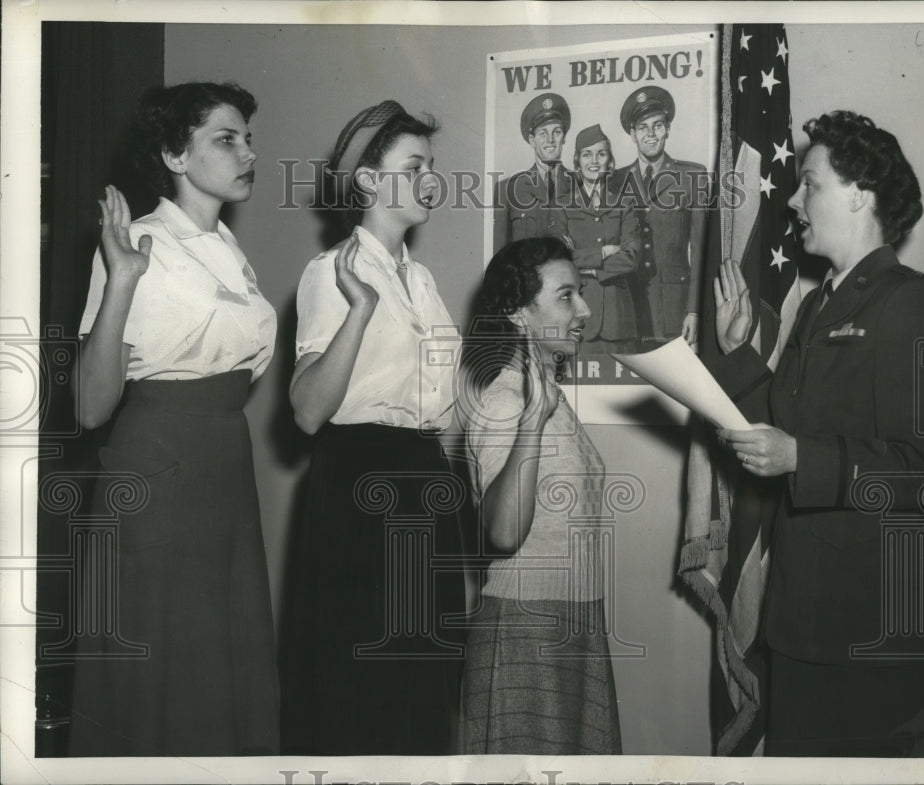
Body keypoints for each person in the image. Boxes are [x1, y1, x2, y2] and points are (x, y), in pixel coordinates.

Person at [711, 111, 924, 756]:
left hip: (867, 629)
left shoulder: (912, 301)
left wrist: (801, 457)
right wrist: (738, 354)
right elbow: (788, 429)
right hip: (799, 621)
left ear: (859, 192)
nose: (793, 200)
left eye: (809, 183)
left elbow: (923, 472)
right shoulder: (820, 305)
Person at [70, 82, 279, 756]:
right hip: (159, 466)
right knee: (165, 671)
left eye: (247, 136)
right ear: (174, 155)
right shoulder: (137, 243)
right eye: (227, 138)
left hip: (223, 461)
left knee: (223, 663)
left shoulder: (226, 250)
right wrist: (122, 279)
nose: (248, 151)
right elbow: (91, 405)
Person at [280, 100, 465, 755]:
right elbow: (305, 410)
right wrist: (360, 311)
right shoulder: (330, 272)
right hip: (360, 491)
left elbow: (441, 409)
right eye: (413, 166)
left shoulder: (424, 281)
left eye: (431, 167)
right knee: (360, 691)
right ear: (367, 181)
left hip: (424, 483)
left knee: (419, 689)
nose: (430, 180)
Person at [458, 237, 622, 755]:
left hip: (577, 621)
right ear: (517, 313)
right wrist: (531, 421)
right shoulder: (506, 401)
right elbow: (503, 533)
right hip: (525, 630)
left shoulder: (547, 397)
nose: (585, 309)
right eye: (566, 296)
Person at [608, 86, 710, 349]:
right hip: (627, 306)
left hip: (673, 308)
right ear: (632, 134)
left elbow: (700, 251)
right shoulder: (615, 181)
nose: (651, 135)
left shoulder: (692, 177)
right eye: (642, 127)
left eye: (658, 126)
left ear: (668, 129)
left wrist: (695, 310)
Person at [549, 123, 640, 355]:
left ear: (610, 161)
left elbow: (632, 258)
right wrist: (602, 253)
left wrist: (586, 268)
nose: (594, 161)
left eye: (601, 154)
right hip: (577, 318)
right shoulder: (562, 206)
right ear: (577, 161)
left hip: (619, 319)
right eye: (587, 155)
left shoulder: (625, 204)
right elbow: (557, 260)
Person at [493, 92, 574, 252]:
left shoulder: (582, 185)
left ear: (564, 137)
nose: (550, 140)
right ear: (532, 140)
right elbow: (499, 255)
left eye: (556, 132)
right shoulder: (507, 189)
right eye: (543, 133)